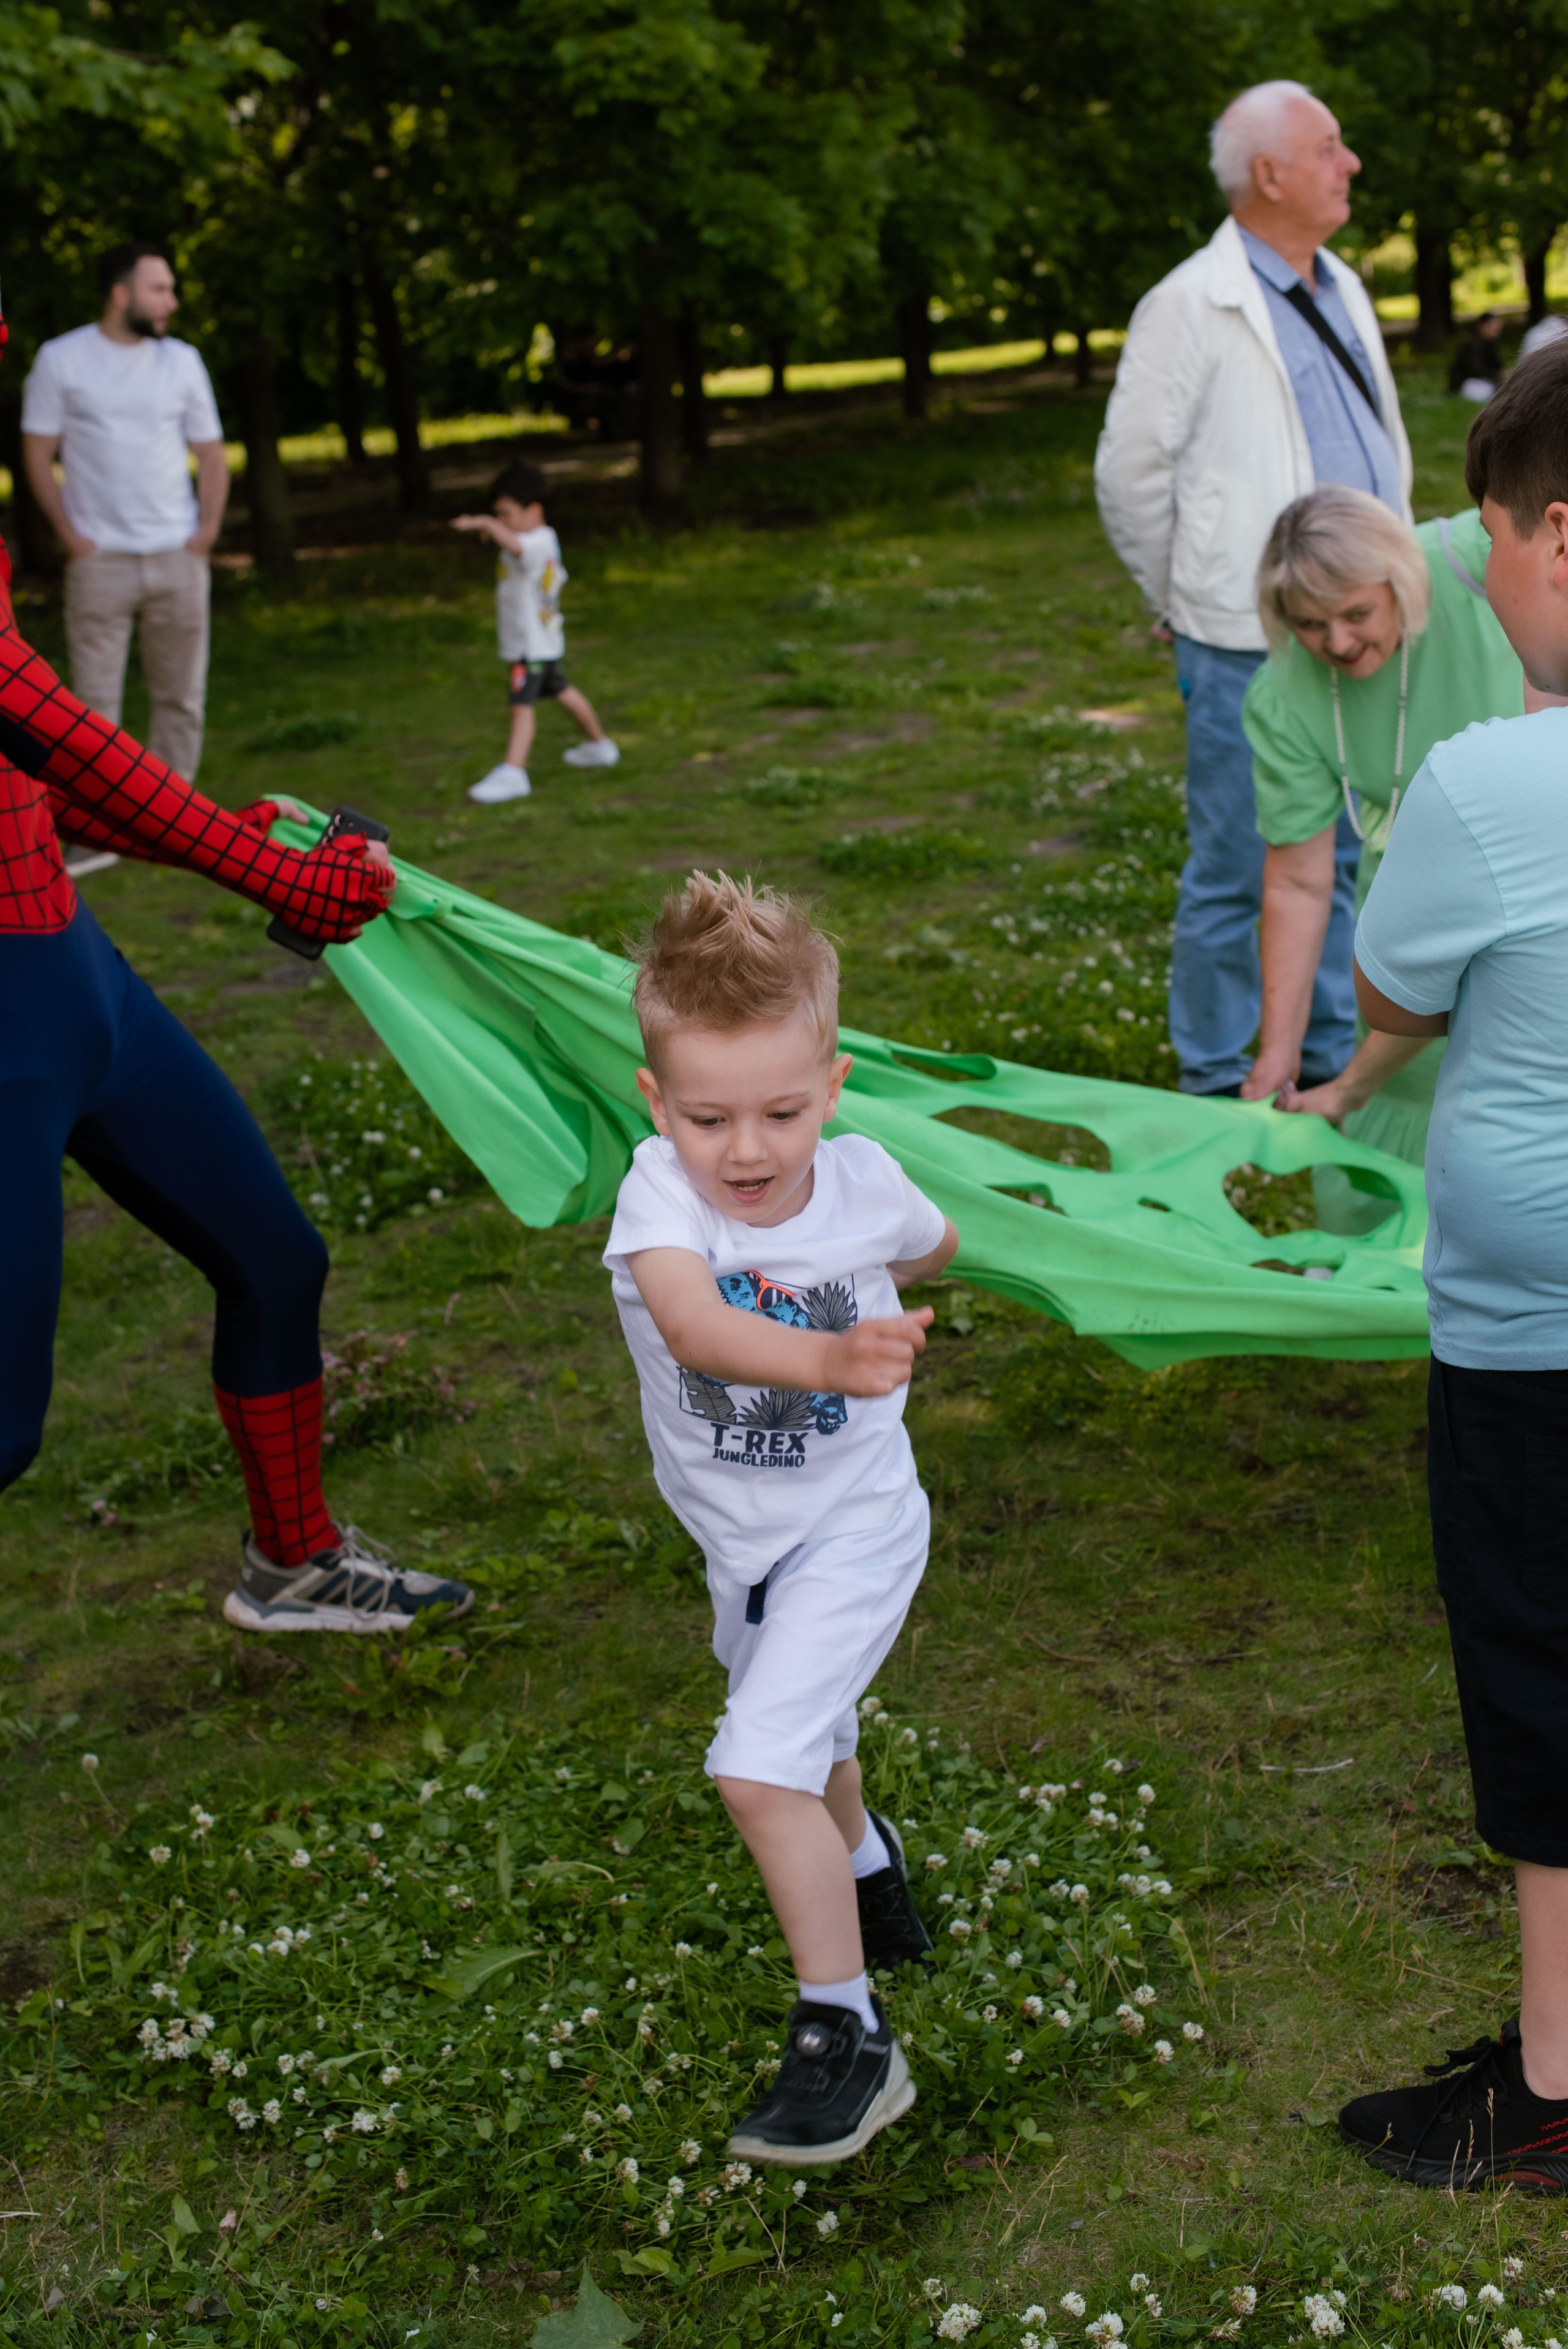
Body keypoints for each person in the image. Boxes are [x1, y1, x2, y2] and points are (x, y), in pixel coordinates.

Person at [0, 286, 473, 1639]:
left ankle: (294, 1562)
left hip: (72, 980)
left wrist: (205, 837)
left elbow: (31, 761)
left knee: (274, 1255)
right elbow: (45, 716)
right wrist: (251, 866)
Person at [603, 872, 958, 2162]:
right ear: (656, 1102)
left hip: (856, 1524)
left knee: (754, 1768)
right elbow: (694, 1322)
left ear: (834, 1085)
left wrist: (883, 1284)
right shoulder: (660, 1199)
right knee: (809, 1743)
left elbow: (933, 1239)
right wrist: (830, 1358)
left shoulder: (859, 1179)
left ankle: (846, 2034)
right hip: (738, 1543)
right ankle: (865, 1867)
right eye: (708, 1116)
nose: (744, 1151)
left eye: (780, 1113)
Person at [1338, 343, 1568, 2187]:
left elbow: (1391, 991)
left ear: (1552, 541)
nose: (1475, 575)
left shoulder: (1486, 782)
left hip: (1532, 1347)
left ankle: (1556, 2085)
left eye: (1481, 536)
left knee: (1539, 1674)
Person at [1095, 80, 1411, 1098]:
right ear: (1269, 174)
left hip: (1366, 626)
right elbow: (1129, 476)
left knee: (1346, 853)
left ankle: (1323, 1056)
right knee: (1241, 865)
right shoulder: (1190, 301)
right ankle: (1217, 1076)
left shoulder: (1342, 285)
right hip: (1247, 638)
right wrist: (1186, 595)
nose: (1350, 161)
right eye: (1329, 147)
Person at [1237, 486, 1522, 1226]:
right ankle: (1389, 1268)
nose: (1335, 642)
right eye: (1308, 623)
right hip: (1404, 894)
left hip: (1525, 875)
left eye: (1356, 614)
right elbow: (1299, 880)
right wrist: (1279, 1051)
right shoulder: (1285, 694)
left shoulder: (1474, 564)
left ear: (1399, 583)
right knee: (1404, 1075)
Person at [21, 243, 228, 783]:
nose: (172, 302)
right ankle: (102, 832)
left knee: (182, 699)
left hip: (178, 557)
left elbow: (210, 454)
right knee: (90, 709)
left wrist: (205, 533)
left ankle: (181, 825)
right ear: (121, 293)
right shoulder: (61, 359)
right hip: (100, 562)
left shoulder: (181, 360)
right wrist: (70, 536)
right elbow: (37, 453)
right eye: (159, 289)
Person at [451, 462, 618, 804]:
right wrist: (498, 529)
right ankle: (599, 746)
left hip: (530, 645)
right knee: (563, 691)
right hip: (538, 642)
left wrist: (483, 523)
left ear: (534, 510)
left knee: (521, 704)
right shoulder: (536, 538)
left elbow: (518, 550)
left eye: (506, 514)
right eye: (497, 514)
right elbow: (514, 547)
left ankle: (514, 771)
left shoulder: (537, 542)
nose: (501, 521)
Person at [1449, 309, 1505, 402]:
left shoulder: (1492, 344)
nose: (1497, 329)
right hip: (1468, 383)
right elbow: (1475, 369)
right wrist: (1497, 374)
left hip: (1484, 380)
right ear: (1482, 326)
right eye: (1492, 326)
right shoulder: (1474, 345)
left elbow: (1496, 366)